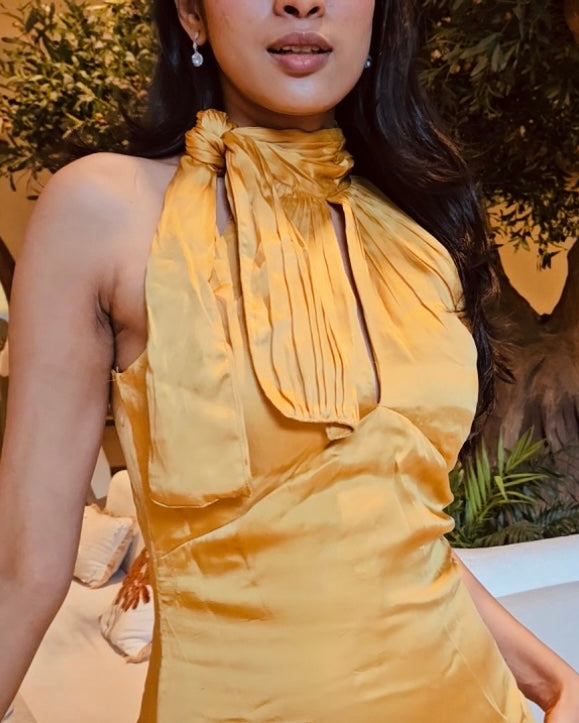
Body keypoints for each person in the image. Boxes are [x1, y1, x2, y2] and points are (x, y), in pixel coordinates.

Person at [0, 0, 578, 720]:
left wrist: (554, 681)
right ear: (191, 14)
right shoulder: (104, 210)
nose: (300, 3)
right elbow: (20, 575)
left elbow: (397, 537)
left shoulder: (419, 237)